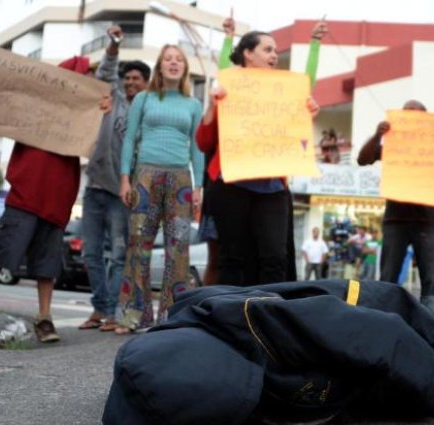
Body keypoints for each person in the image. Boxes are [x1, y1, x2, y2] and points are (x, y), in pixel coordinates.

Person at [103, 279, 434, 425]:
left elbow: (382, 335)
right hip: (366, 345)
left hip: (398, 335)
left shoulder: (269, 330)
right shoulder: (190, 346)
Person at [0, 56, 105, 342]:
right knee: (2, 250)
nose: (90, 83)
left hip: (58, 197)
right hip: (27, 190)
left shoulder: (85, 115)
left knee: (47, 263)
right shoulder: (36, 106)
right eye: (86, 77)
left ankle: (44, 318)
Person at [196, 30, 319, 286]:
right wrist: (212, 106)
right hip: (231, 186)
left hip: (272, 188)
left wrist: (305, 116)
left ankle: (266, 315)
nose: (274, 55)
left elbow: (296, 134)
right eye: (267, 49)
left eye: (275, 51)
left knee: (274, 257)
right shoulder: (228, 88)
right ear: (248, 54)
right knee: (232, 258)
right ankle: (231, 317)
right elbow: (203, 142)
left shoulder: (284, 93)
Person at [116, 44, 204, 334]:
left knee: (177, 249)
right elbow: (130, 139)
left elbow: (197, 147)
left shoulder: (193, 105)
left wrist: (200, 186)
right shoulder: (144, 98)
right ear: (160, 65)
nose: (174, 63)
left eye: (179, 59)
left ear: (185, 69)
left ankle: (172, 317)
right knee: (138, 244)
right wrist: (125, 179)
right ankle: (134, 316)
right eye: (168, 59)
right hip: (145, 176)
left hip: (181, 180)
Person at [79, 25, 150, 332]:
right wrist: (114, 44)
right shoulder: (115, 99)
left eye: (137, 79)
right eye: (128, 78)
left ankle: (111, 312)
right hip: (94, 186)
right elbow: (106, 70)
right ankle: (100, 308)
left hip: (122, 195)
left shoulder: (148, 111)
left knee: (119, 254)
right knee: (90, 253)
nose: (130, 82)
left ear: (147, 83)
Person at [357, 100, 434, 316]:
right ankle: (382, 313)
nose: (412, 118)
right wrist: (378, 135)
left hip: (427, 219)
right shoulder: (392, 146)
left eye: (417, 115)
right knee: (389, 270)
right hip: (395, 219)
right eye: (407, 114)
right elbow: (362, 159)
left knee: (430, 273)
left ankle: (430, 316)